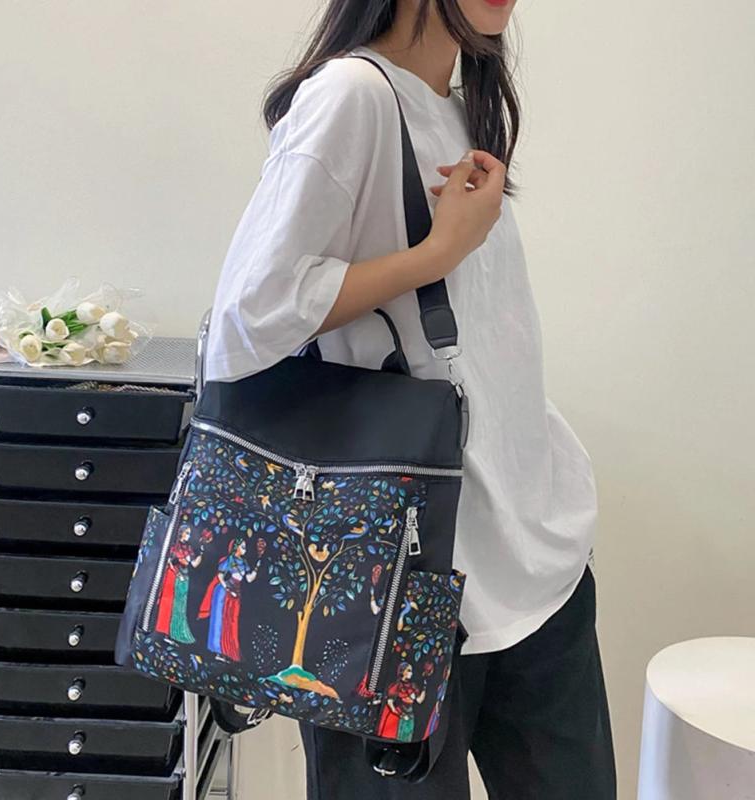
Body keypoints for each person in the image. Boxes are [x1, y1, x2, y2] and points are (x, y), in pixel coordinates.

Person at [206, 1, 616, 797]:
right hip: (390, 587)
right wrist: (437, 252)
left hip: (532, 558)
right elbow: (247, 318)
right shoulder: (351, 95)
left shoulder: (460, 107)